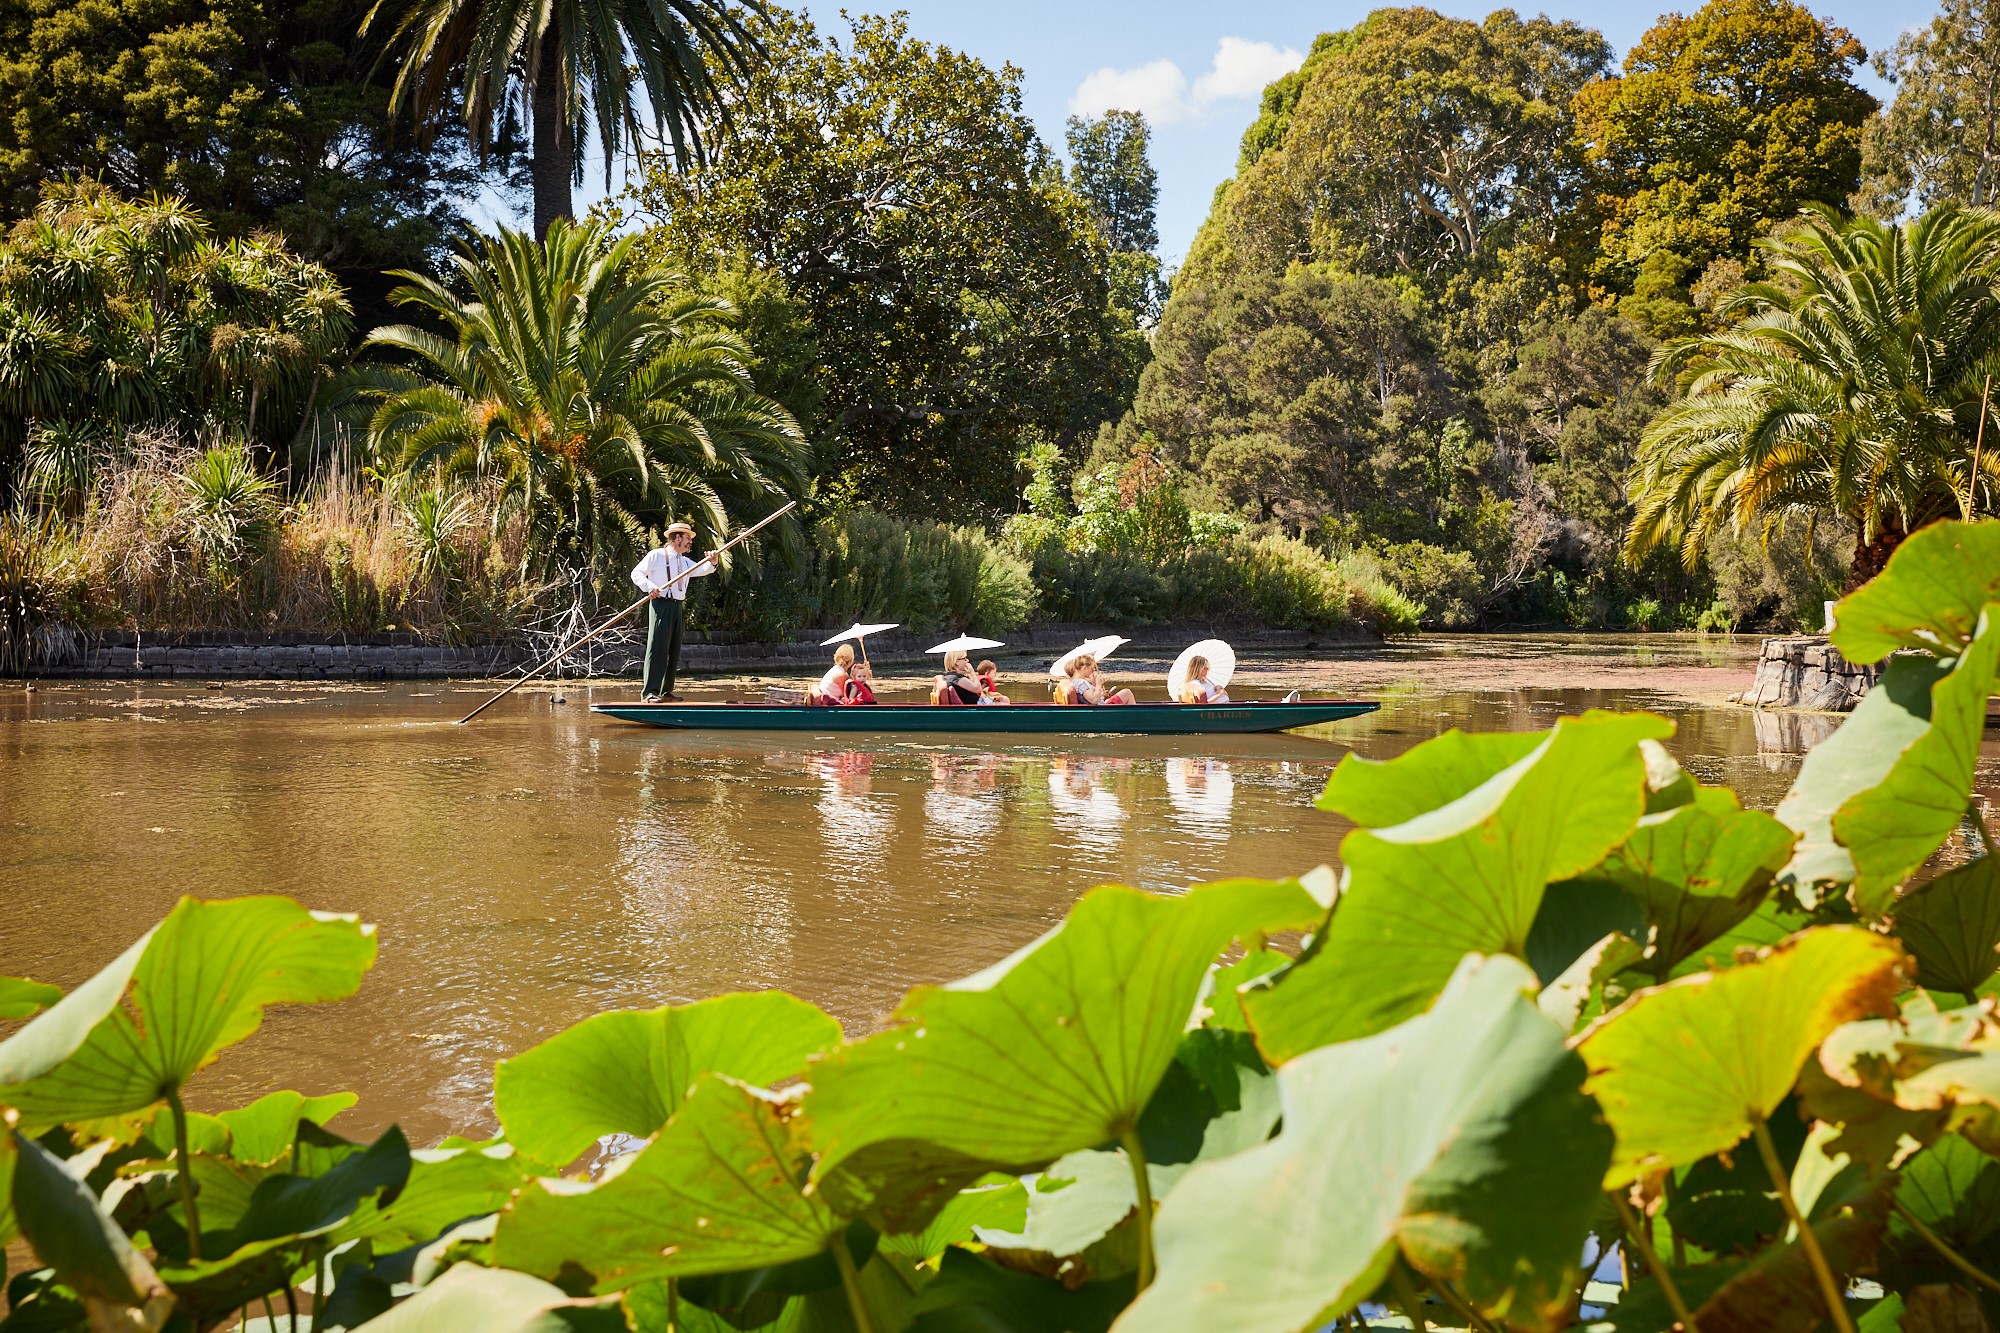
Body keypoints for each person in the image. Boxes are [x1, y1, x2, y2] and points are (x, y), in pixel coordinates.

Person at [630, 522, 714, 701]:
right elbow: (636, 574)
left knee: (673, 649)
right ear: (677, 538)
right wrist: (650, 587)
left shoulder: (683, 561)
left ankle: (665, 691)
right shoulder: (656, 555)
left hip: (677, 606)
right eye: (688, 539)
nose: (690, 542)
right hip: (661, 605)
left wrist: (713, 562)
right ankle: (650, 692)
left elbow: (702, 569)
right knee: (657, 647)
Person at [1058, 653, 1134, 706]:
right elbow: (1094, 700)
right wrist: (1098, 685)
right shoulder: (1080, 683)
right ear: (1084, 668)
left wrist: (1098, 690)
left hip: (1100, 707)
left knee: (1111, 698)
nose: (1092, 671)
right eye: (1091, 668)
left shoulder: (1076, 681)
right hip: (1101, 711)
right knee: (1127, 692)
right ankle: (1137, 719)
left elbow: (1092, 697)